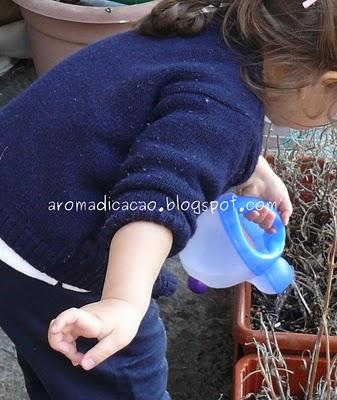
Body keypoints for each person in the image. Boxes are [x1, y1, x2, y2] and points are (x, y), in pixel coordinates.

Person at [1, 0, 335, 397]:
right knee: (120, 376)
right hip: (49, 250)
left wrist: (250, 168)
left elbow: (179, 113)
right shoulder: (228, 117)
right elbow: (155, 204)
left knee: (56, 359)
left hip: (17, 196)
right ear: (328, 82)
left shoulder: (213, 30)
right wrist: (123, 303)